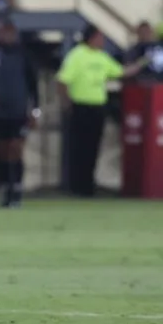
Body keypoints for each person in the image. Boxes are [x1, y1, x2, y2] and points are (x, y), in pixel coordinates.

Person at [57, 26, 146, 196]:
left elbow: (121, 72)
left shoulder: (102, 57)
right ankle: (76, 186)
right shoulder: (77, 55)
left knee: (93, 147)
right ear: (91, 38)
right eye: (100, 38)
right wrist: (66, 103)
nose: (102, 42)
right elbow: (63, 80)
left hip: (97, 107)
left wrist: (141, 63)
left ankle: (88, 185)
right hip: (80, 106)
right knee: (78, 148)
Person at [0, 20, 40, 208]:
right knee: (2, 152)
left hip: (18, 111)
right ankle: (6, 190)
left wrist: (35, 110)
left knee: (15, 151)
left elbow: (34, 86)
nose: (4, 36)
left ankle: (17, 190)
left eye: (8, 33)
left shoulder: (23, 56)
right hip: (0, 113)